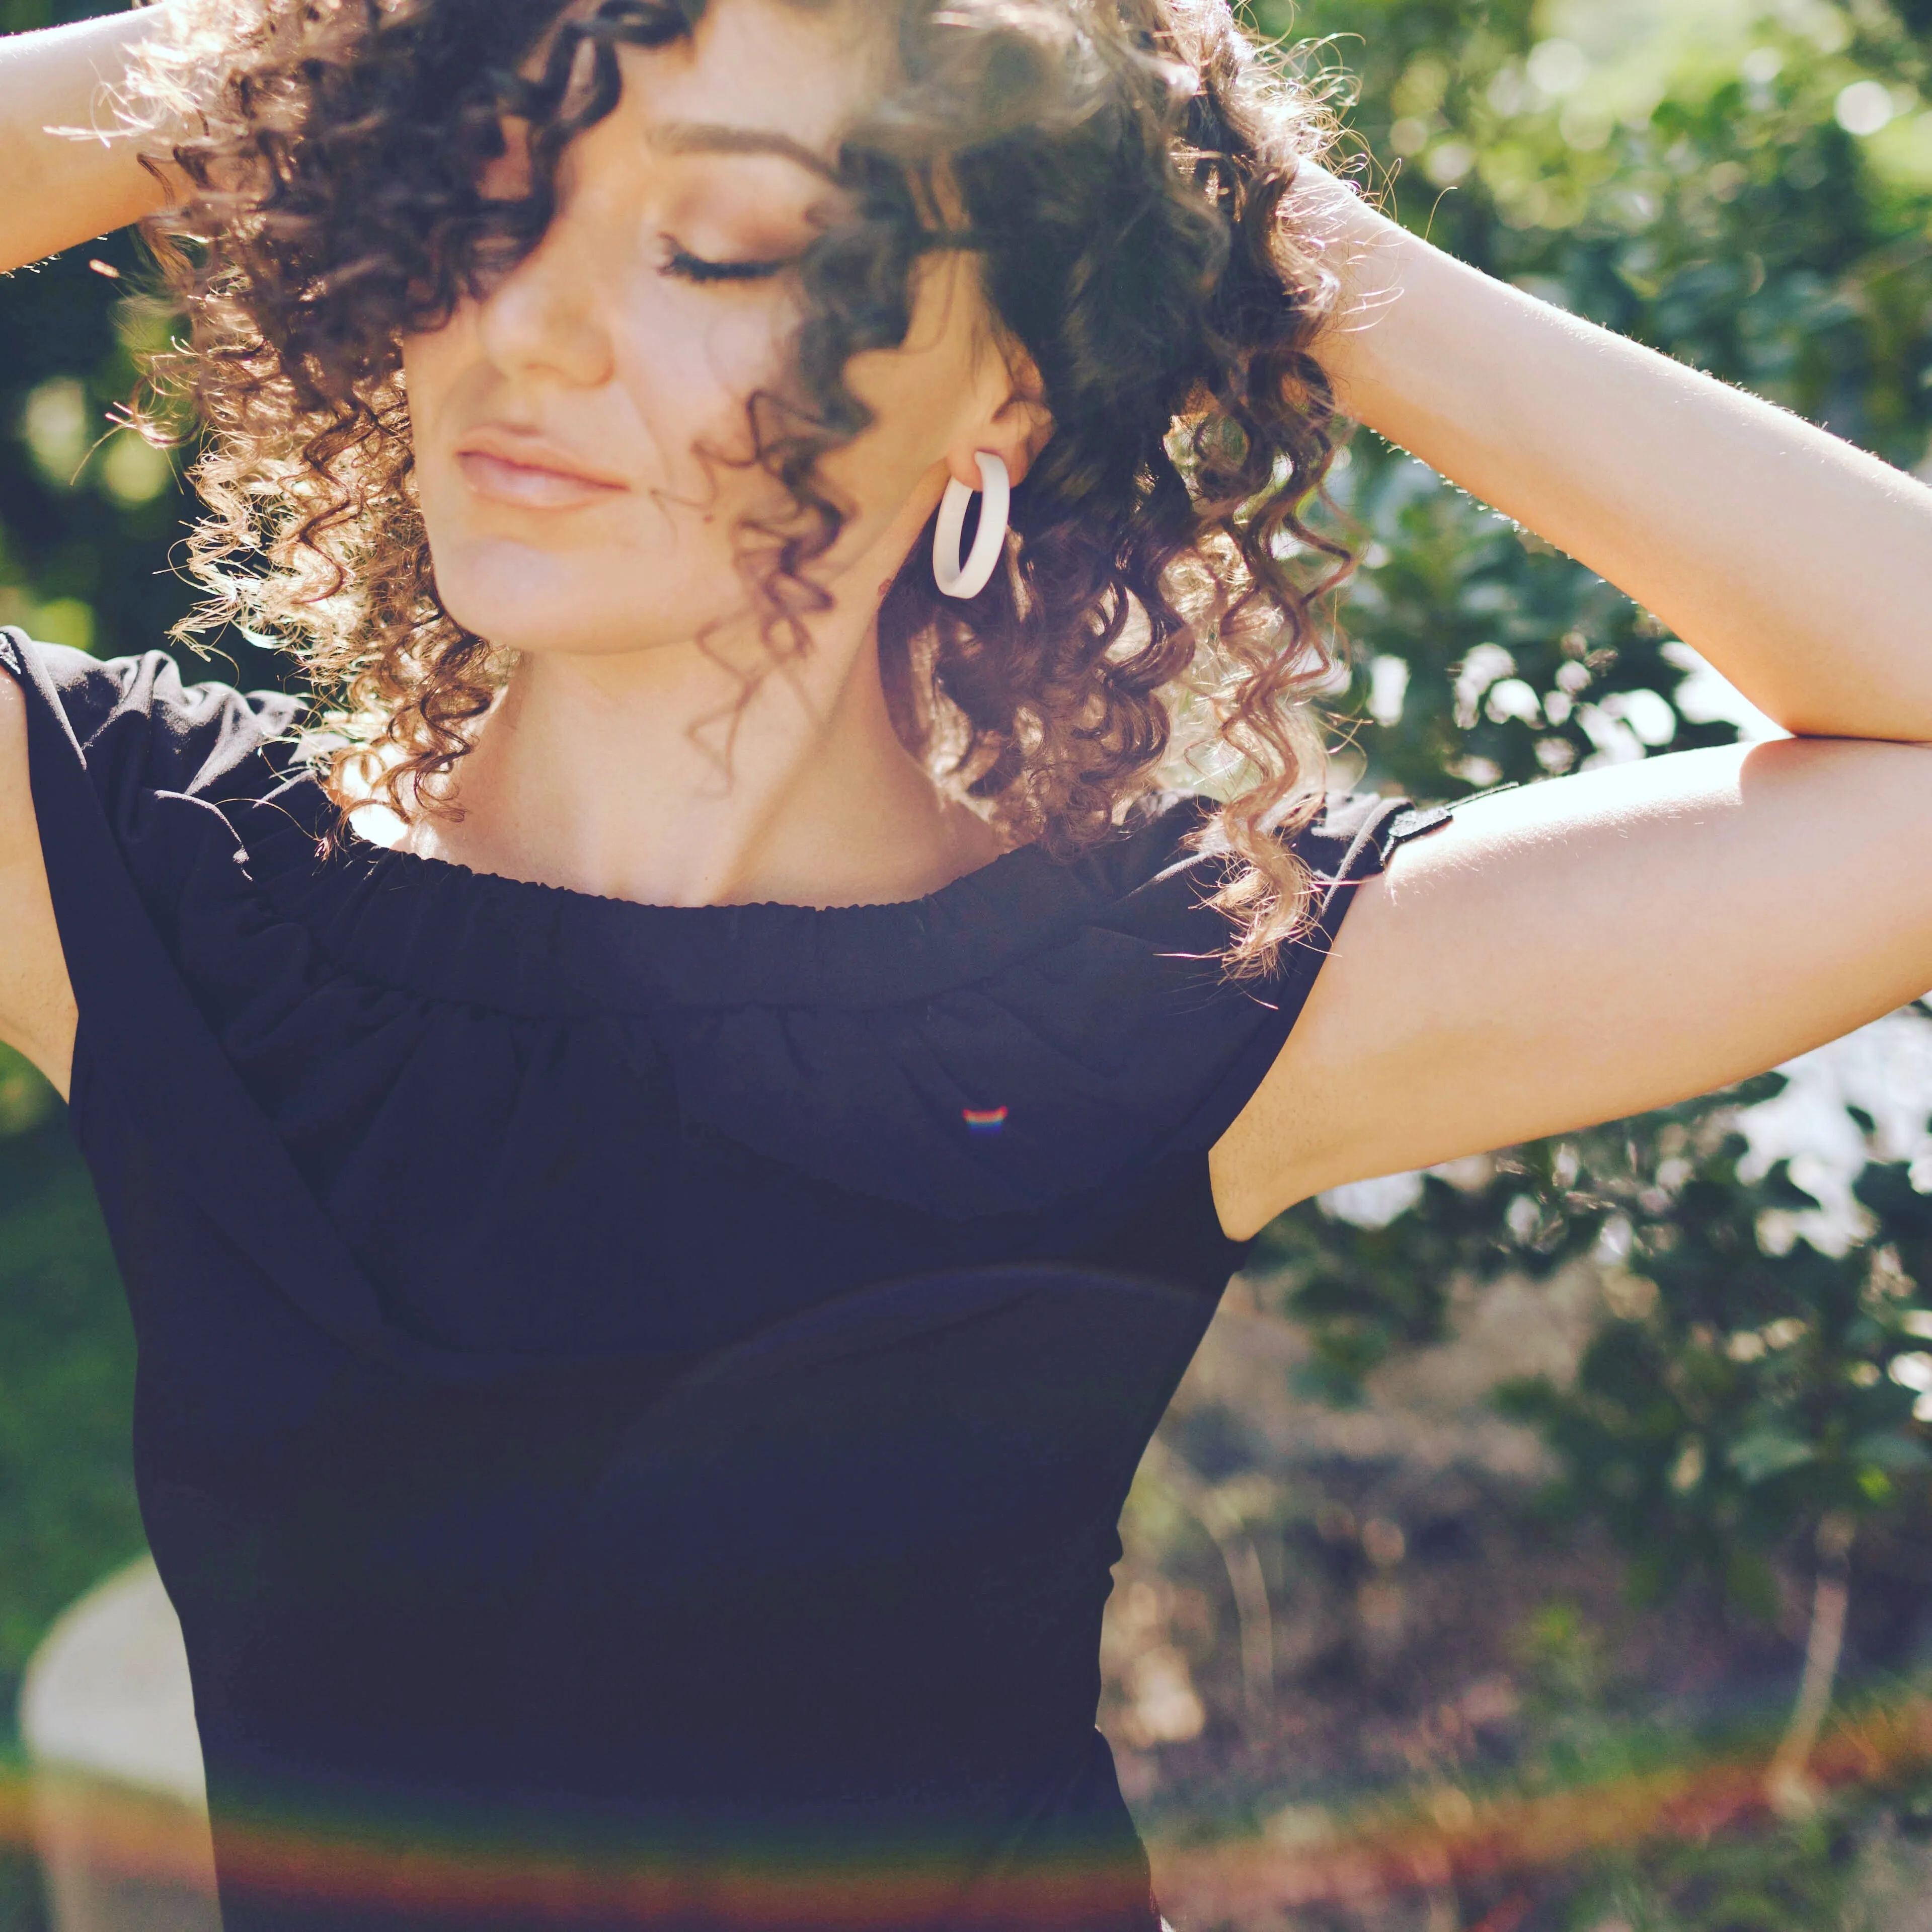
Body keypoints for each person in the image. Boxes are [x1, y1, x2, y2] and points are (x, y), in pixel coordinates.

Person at [0, 0, 1929, 1925]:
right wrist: (276, 57)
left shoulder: (1165, 990)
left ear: (1007, 374)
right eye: (477, 198)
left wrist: (1256, 232)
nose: (530, 326)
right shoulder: (159, 888)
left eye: (716, 247)